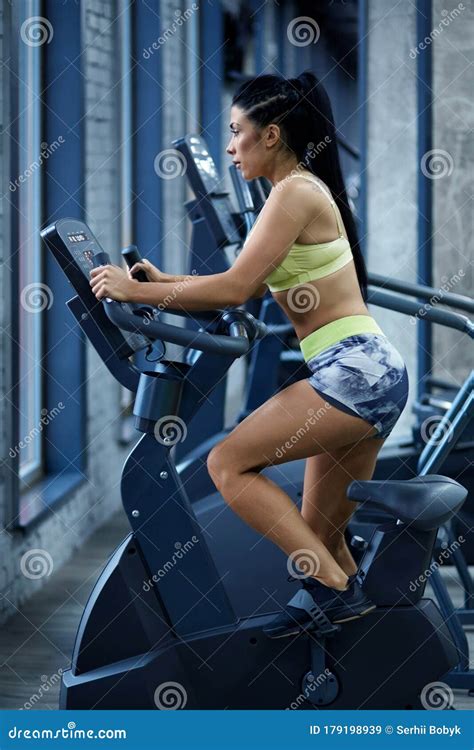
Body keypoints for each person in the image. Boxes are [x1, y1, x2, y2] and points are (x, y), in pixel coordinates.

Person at [90, 71, 409, 638]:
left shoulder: (294, 192)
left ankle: (335, 594)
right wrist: (167, 281)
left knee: (227, 464)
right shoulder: (297, 190)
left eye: (237, 132)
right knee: (321, 539)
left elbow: (236, 289)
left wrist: (133, 290)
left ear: (272, 135)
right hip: (373, 374)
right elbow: (254, 284)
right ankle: (367, 662)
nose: (230, 147)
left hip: (352, 374)